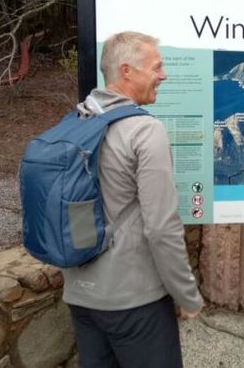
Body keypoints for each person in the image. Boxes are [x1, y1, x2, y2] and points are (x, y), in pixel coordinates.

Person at [62, 31, 203, 368]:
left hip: (81, 297)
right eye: (156, 67)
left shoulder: (77, 121)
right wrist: (187, 295)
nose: (163, 75)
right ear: (127, 71)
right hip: (133, 302)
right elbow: (161, 228)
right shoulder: (144, 131)